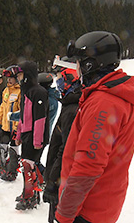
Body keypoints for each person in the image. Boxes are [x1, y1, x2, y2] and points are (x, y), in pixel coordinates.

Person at [54, 31, 134, 223]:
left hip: (87, 210)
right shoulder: (113, 96)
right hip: (101, 205)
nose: (78, 69)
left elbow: (88, 166)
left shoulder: (104, 104)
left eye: (79, 63)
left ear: (90, 65)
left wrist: (64, 215)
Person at [42, 61, 82, 223]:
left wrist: (53, 182)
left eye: (59, 77)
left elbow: (65, 150)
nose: (57, 82)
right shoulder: (68, 104)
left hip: (62, 181)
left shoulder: (72, 109)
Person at [14, 61, 50, 210]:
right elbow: (23, 117)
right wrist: (18, 134)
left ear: (28, 75)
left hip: (37, 136)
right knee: (28, 165)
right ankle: (31, 194)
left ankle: (30, 197)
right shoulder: (26, 91)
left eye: (20, 75)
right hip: (28, 134)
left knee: (28, 166)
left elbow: (40, 119)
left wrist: (37, 140)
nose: (18, 78)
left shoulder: (38, 92)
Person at [0, 65, 22, 181]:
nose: (9, 80)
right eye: (8, 78)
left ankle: (12, 171)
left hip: (14, 127)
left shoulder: (20, 92)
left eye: (11, 78)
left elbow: (20, 111)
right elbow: (2, 107)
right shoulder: (6, 90)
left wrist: (17, 129)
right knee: (2, 147)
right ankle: (3, 168)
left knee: (13, 150)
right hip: (5, 126)